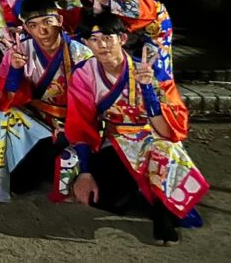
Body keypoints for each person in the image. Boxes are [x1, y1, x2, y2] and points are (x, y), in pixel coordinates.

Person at [63, 13, 208, 245]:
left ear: (122, 38)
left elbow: (167, 131)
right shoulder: (84, 73)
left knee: (163, 151)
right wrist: (85, 172)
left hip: (154, 137)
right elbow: (80, 123)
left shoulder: (151, 69)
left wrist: (148, 91)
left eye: (107, 37)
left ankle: (162, 213)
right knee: (109, 201)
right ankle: (147, 192)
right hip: (117, 140)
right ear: (86, 43)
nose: (102, 45)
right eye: (94, 39)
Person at [0, 0, 92, 203]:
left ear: (59, 21)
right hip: (36, 119)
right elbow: (9, 99)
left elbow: (88, 102)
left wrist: (70, 125)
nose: (42, 31)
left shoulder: (81, 55)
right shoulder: (19, 51)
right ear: (26, 28)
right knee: (1, 117)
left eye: (47, 22)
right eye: (33, 25)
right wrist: (15, 70)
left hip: (71, 120)